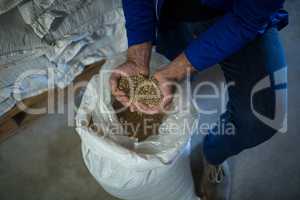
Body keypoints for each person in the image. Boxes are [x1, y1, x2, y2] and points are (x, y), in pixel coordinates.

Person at [110, 0, 288, 199]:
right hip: (172, 11)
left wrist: (175, 71)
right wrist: (137, 54)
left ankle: (213, 155)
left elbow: (248, 18)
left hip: (240, 14)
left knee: (262, 119)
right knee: (154, 99)